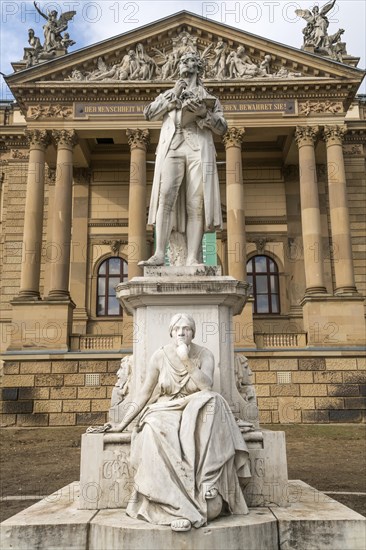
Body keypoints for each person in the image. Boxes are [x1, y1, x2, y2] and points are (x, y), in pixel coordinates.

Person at [105, 314, 251, 532]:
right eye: (177, 329)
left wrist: (187, 361)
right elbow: (144, 394)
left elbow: (206, 386)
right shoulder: (159, 356)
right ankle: (172, 505)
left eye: (187, 329)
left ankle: (208, 481)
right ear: (171, 332)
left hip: (195, 403)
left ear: (193, 333)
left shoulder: (204, 355)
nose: (182, 332)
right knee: (153, 428)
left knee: (213, 401)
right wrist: (121, 424)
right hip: (165, 408)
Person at [138, 52, 227, 266]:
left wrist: (205, 114)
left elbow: (223, 127)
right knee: (165, 196)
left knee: (196, 204)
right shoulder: (170, 93)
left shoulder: (209, 98)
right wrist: (171, 99)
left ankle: (192, 258)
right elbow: (148, 113)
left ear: (198, 67)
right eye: (182, 61)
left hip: (197, 148)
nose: (184, 65)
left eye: (189, 61)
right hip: (173, 147)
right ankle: (160, 254)